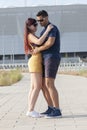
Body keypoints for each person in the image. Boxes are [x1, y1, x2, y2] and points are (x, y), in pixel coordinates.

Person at [33, 10, 62, 118]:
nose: (40, 22)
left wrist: (38, 49)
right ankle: (51, 108)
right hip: (45, 58)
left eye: (41, 20)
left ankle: (57, 110)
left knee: (49, 83)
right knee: (44, 85)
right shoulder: (44, 30)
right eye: (38, 21)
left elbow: (50, 43)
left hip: (51, 57)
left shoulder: (52, 28)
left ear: (47, 17)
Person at [24, 18, 53, 118]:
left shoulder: (30, 35)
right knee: (37, 87)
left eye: (36, 24)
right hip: (35, 61)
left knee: (33, 87)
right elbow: (40, 42)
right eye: (34, 25)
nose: (36, 26)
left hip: (34, 61)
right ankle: (31, 110)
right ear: (28, 26)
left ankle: (30, 109)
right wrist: (48, 30)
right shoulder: (30, 35)